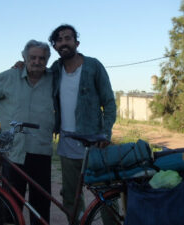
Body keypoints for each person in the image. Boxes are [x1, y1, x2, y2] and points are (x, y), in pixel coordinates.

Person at [0, 40, 54, 225]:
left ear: (47, 60)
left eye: (42, 58)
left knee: (41, 201)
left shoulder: (54, 78)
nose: (37, 61)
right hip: (13, 150)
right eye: (32, 57)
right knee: (12, 199)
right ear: (24, 58)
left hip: (41, 148)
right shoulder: (10, 77)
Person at [49, 24, 117, 224]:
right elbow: (36, 72)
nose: (63, 42)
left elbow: (109, 103)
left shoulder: (93, 66)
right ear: (55, 46)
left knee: (105, 193)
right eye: (59, 40)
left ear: (76, 42)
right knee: (70, 195)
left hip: (94, 144)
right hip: (67, 143)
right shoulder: (55, 69)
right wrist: (21, 63)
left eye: (67, 38)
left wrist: (105, 133)